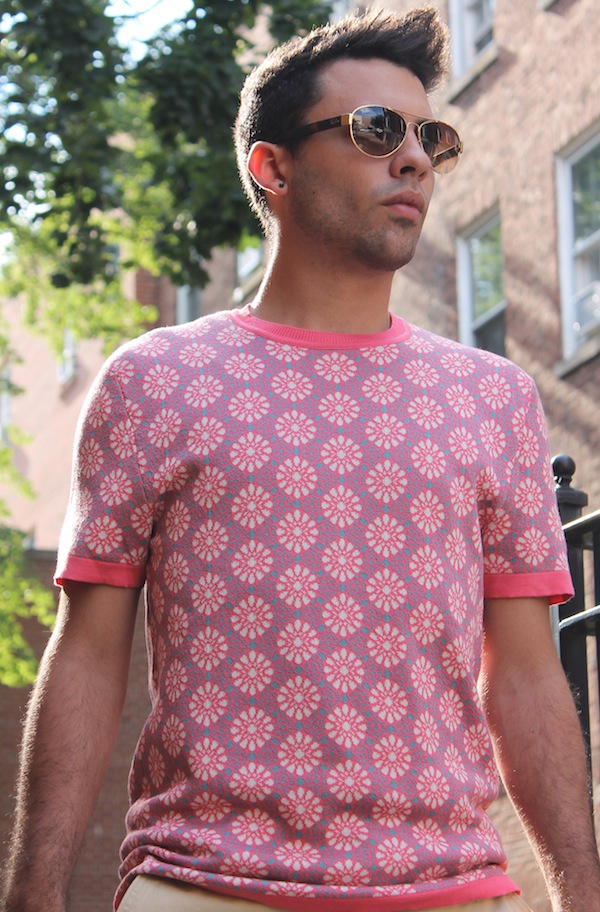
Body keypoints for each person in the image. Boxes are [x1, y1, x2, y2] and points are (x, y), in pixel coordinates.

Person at [3, 7, 600, 912]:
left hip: (452, 890)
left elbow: (523, 677)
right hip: (199, 886)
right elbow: (86, 654)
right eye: (376, 129)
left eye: (430, 138)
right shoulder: (156, 381)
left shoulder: (493, 399)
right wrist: (32, 893)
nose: (414, 159)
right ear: (271, 167)